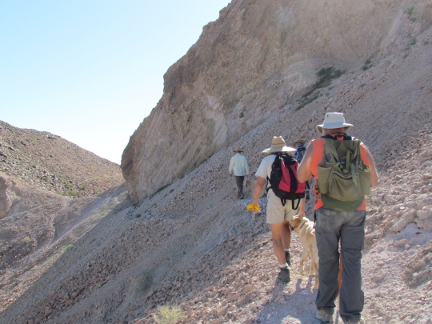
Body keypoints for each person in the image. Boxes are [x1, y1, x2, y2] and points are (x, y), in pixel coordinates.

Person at [297, 112, 379, 324]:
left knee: (328, 259)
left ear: (324, 130)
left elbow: (301, 176)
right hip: (356, 209)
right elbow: (374, 181)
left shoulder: (316, 145)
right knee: (352, 261)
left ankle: (325, 310)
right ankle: (352, 316)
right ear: (344, 129)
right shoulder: (359, 146)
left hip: (326, 209)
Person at [249, 136, 305, 283]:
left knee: (276, 236)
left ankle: (284, 269)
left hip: (276, 199)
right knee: (286, 225)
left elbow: (260, 184)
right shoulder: (293, 160)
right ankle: (287, 254)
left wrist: (255, 202)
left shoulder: (267, 161)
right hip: (293, 199)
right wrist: (302, 207)